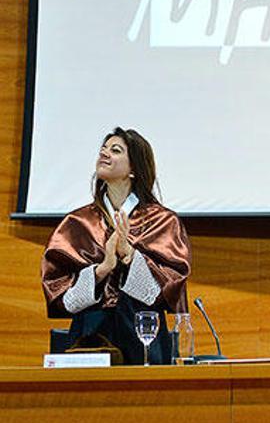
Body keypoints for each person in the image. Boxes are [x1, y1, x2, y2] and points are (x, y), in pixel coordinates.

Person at [41, 127, 191, 365]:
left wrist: (129, 256)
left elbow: (167, 290)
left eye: (116, 150)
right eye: (104, 148)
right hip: (89, 334)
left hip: (144, 332)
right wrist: (102, 269)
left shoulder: (163, 221)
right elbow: (61, 294)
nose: (105, 153)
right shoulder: (77, 223)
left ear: (134, 169)